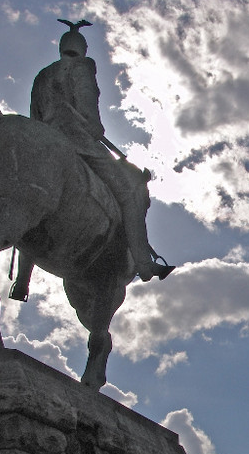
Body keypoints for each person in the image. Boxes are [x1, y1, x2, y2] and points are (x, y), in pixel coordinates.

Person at [25, 18, 172, 285]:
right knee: (128, 197)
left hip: (45, 141)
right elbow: (87, 102)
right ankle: (144, 264)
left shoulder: (42, 76)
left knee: (28, 204)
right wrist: (95, 127)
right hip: (77, 140)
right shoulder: (83, 67)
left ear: (61, 48)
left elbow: (34, 117)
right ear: (82, 49)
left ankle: (23, 280)